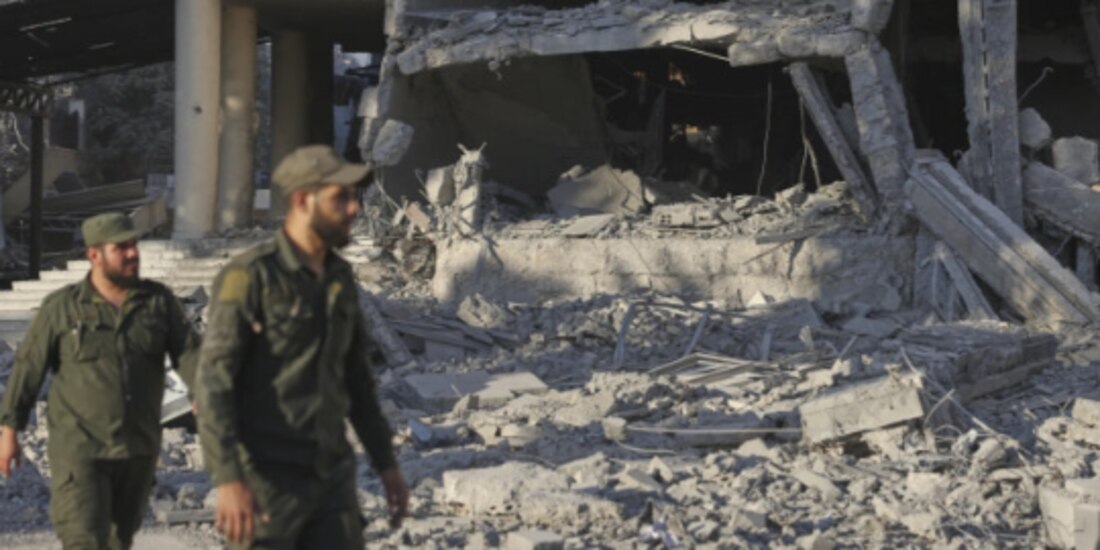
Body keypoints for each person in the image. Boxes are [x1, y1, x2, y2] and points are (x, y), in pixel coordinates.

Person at [196, 144, 408, 549]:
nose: (354, 209)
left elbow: (357, 383)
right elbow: (214, 386)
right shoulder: (250, 277)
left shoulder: (339, 279)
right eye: (340, 198)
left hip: (332, 481)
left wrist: (387, 464)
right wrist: (228, 479)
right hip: (267, 482)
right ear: (302, 200)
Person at [0, 212, 201, 549]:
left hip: (137, 448)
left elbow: (190, 354)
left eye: (133, 245)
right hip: (79, 449)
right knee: (84, 539)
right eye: (120, 247)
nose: (132, 253)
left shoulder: (157, 303)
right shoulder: (62, 308)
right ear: (94, 255)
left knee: (117, 540)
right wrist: (10, 432)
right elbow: (28, 369)